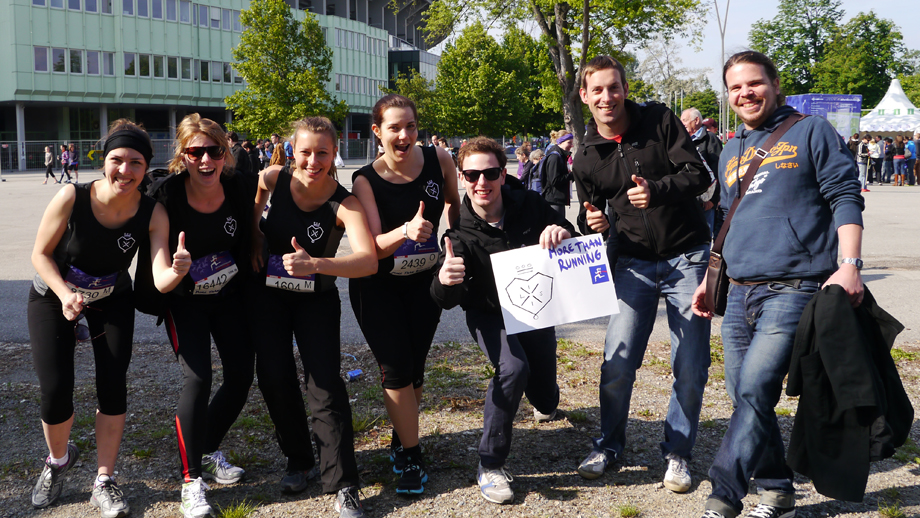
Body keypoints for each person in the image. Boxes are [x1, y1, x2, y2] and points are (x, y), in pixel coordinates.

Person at [691, 50, 864, 518]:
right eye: (735, 87)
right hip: (740, 289)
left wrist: (850, 263)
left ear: (774, 83)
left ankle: (723, 494)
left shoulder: (812, 131)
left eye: (754, 83)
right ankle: (777, 488)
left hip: (794, 288)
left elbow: (845, 196)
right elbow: (727, 218)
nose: (745, 93)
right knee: (742, 392)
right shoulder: (731, 149)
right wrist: (712, 278)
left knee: (756, 389)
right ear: (727, 95)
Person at [27, 119, 188, 518]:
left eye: (136, 162)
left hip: (111, 299)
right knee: (55, 389)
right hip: (54, 297)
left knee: (113, 385)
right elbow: (40, 254)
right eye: (117, 159)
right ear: (104, 161)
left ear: (146, 166)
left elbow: (161, 275)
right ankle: (58, 461)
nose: (125, 170)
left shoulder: (153, 213)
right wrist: (66, 295)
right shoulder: (72, 197)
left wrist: (179, 270)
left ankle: (104, 479)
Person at [571, 55, 712, 493]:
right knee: (618, 361)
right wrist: (590, 222)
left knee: (690, 365)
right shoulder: (586, 156)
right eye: (597, 90)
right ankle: (610, 445)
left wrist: (658, 191)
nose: (607, 97)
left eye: (614, 87)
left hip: (686, 256)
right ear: (585, 95)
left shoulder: (660, 121)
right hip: (630, 262)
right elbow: (589, 212)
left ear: (625, 88)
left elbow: (697, 175)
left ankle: (677, 453)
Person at [430, 136, 575, 505]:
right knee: (512, 368)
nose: (482, 182)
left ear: (502, 172)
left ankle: (546, 401)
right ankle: (490, 464)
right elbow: (446, 301)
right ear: (461, 177)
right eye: (472, 174)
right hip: (489, 314)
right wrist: (444, 280)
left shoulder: (530, 203)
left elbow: (570, 239)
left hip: (535, 310)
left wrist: (561, 232)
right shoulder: (458, 231)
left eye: (490, 172)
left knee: (544, 397)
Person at [251, 116, 376, 518]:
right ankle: (299, 460)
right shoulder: (273, 179)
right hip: (269, 298)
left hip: (315, 301)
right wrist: (255, 234)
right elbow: (256, 200)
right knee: (274, 377)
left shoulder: (345, 203)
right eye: (305, 151)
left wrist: (318, 264)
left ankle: (343, 483)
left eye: (322, 152)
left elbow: (368, 260)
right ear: (292, 150)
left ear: (334, 153)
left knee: (324, 385)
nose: (312, 161)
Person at [349, 94, 460, 494]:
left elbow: (453, 203)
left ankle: (403, 438)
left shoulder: (438, 159)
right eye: (394, 127)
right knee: (395, 367)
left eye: (410, 126)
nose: (404, 135)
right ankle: (411, 457)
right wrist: (406, 232)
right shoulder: (365, 179)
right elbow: (372, 246)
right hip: (377, 286)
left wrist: (456, 240)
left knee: (414, 369)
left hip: (424, 284)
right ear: (377, 132)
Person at [148, 115, 255, 518]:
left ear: (226, 154)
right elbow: (156, 268)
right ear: (183, 155)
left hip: (228, 297)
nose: (206, 160)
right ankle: (191, 480)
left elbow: (251, 230)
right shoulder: (167, 195)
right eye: (196, 152)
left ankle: (205, 447)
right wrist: (176, 270)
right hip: (184, 301)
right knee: (197, 377)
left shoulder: (238, 186)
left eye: (215, 151)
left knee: (242, 374)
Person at [681, 108, 723, 237]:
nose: (682, 124)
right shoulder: (683, 140)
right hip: (689, 200)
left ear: (696, 120)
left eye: (685, 121)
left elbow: (719, 169)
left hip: (706, 202)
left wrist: (713, 199)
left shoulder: (710, 139)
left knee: (705, 237)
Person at [542, 131, 575, 216]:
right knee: (558, 226)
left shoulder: (560, 156)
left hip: (557, 199)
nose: (572, 145)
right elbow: (554, 180)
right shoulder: (555, 157)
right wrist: (572, 175)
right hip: (554, 200)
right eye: (569, 142)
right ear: (561, 142)